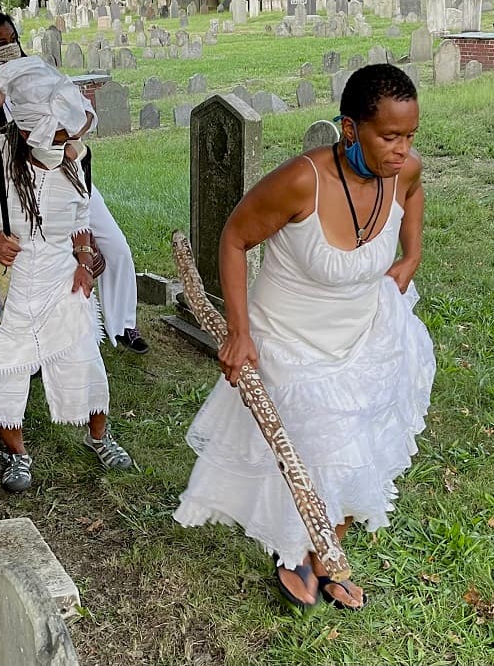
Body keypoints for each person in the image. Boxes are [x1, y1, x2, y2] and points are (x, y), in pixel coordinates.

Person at [173, 64, 435, 611]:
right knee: (311, 444)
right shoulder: (301, 180)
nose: (400, 149)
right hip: (286, 337)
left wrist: (409, 256)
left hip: (364, 332)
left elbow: (413, 196)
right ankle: (292, 547)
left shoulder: (404, 171)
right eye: (388, 136)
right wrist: (240, 333)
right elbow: (234, 238)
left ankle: (327, 546)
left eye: (409, 136)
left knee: (355, 443)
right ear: (349, 129)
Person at [0, 54, 133, 493]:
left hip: (59, 280)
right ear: (27, 130)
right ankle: (17, 453)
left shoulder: (73, 156)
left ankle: (99, 436)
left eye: (69, 133)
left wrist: (85, 261)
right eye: (58, 135)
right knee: (2, 369)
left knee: (84, 360)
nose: (67, 142)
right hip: (2, 286)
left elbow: (80, 215)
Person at [0, 11, 150, 353]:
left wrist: (69, 136)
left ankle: (123, 322)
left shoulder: (39, 75)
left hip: (66, 174)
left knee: (115, 246)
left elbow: (76, 118)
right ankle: (44, 339)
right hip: (18, 191)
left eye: (12, 41)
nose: (9, 49)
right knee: (41, 264)